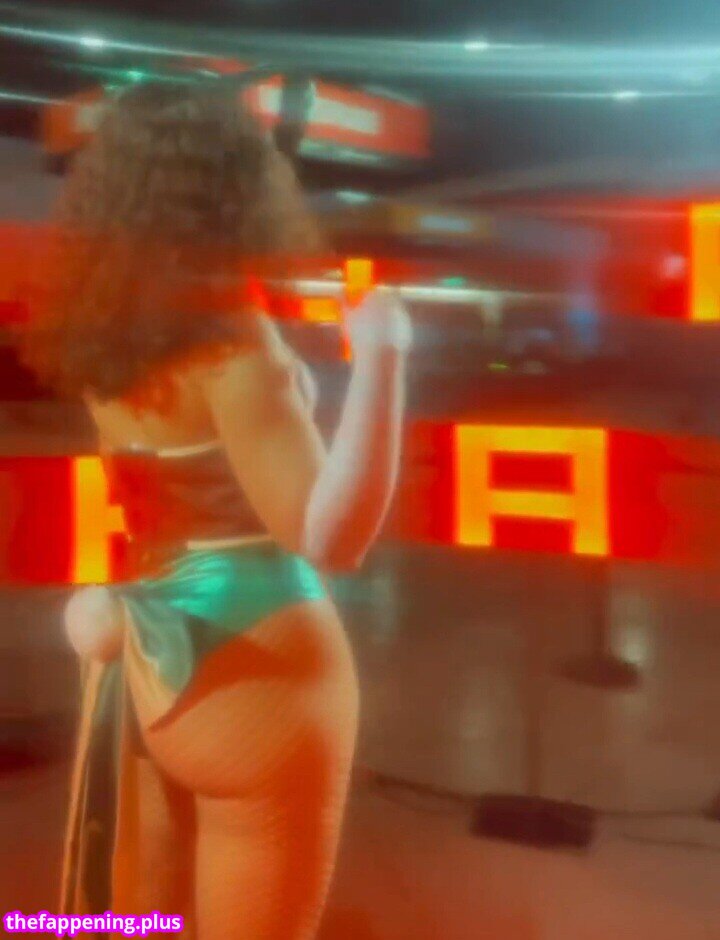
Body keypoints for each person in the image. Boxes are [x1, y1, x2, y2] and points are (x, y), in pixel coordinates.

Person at [22, 82, 410, 939]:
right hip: (264, 671)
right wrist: (385, 356)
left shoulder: (104, 330)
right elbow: (331, 535)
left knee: (143, 920)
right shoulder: (232, 344)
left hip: (148, 672)